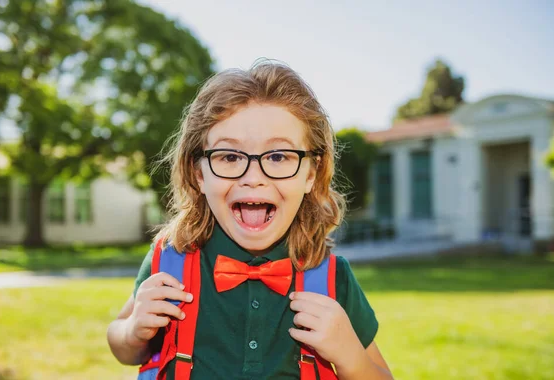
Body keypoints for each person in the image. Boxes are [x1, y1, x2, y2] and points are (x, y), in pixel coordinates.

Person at [107, 60, 393, 379]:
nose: (253, 178)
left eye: (278, 156)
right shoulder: (170, 263)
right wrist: (133, 331)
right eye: (229, 157)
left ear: (311, 172)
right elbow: (121, 343)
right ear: (198, 172)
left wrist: (350, 354)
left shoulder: (330, 279)